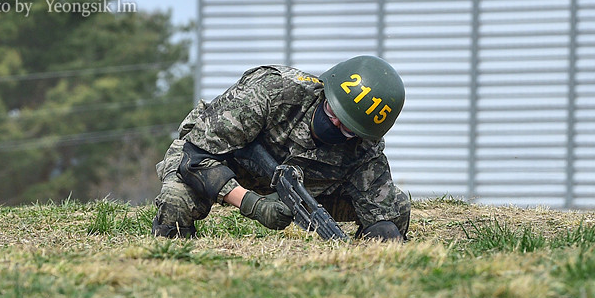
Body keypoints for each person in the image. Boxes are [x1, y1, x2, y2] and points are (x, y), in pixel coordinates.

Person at [152, 55, 410, 241]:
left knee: (396, 208)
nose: (334, 124)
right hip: (219, 162)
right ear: (326, 90)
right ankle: (176, 252)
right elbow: (194, 157)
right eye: (332, 111)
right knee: (175, 200)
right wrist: (252, 203)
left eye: (347, 128)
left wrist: (380, 237)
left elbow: (385, 211)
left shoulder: (365, 149)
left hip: (304, 190)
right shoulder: (273, 91)